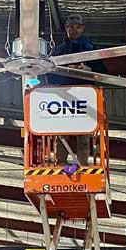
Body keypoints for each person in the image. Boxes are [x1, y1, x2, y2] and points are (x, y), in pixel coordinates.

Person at [43, 14, 107, 165]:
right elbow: (49, 75)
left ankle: (83, 164)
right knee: (62, 135)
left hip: (82, 97)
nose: (74, 30)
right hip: (64, 98)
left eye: (77, 27)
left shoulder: (90, 50)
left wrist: (87, 69)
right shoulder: (59, 50)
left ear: (82, 29)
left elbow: (101, 73)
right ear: (66, 28)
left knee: (83, 135)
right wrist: (67, 69)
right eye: (71, 27)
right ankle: (60, 163)